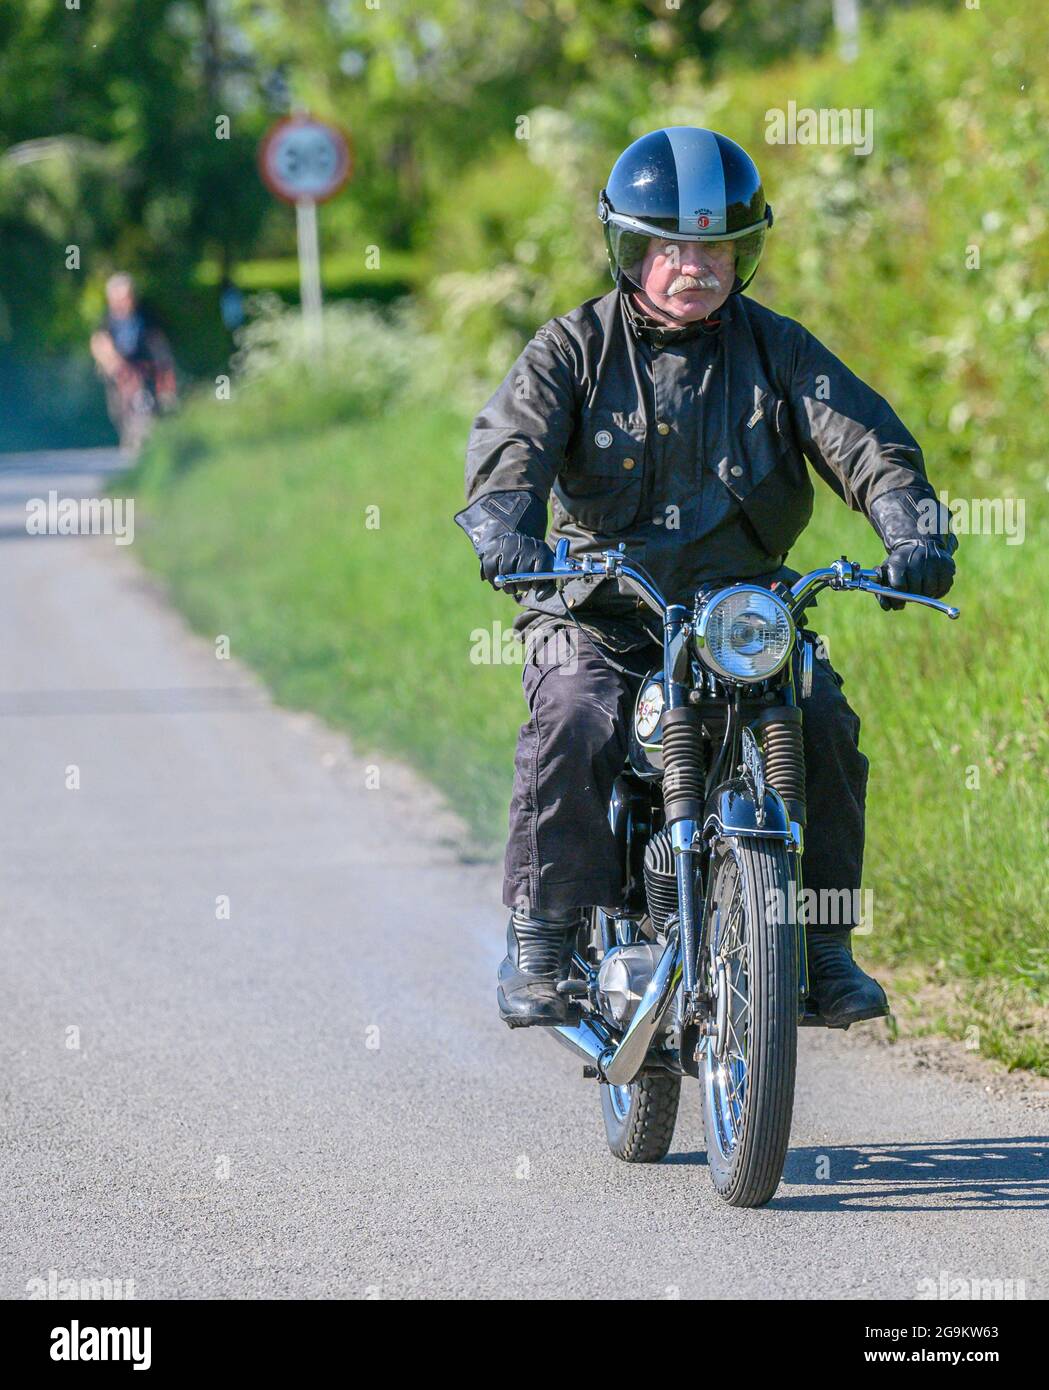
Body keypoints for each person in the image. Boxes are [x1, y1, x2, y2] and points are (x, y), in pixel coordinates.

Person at [455, 127, 957, 1030]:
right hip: (599, 607)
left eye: (717, 247)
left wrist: (911, 527)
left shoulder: (778, 351)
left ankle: (822, 946)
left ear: (744, 253)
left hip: (739, 614)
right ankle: (545, 934)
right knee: (573, 710)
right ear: (631, 248)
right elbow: (509, 451)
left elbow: (869, 445)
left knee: (823, 725)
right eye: (674, 246)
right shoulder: (571, 349)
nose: (696, 266)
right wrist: (505, 527)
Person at [90, 273, 177, 449]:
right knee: (120, 403)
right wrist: (117, 366)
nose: (123, 302)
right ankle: (129, 433)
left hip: (145, 367)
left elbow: (159, 344)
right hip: (118, 370)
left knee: (159, 400)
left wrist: (164, 374)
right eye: (118, 299)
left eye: (127, 297)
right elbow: (99, 342)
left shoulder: (147, 316)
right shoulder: (107, 320)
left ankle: (151, 433)